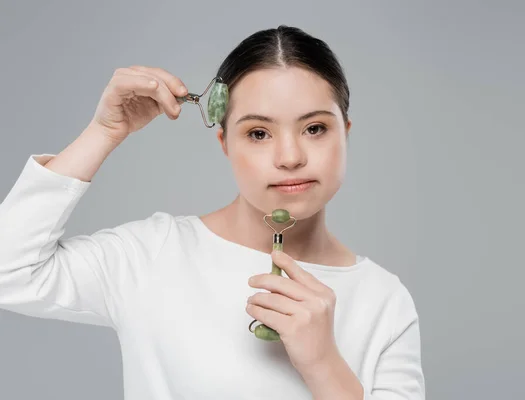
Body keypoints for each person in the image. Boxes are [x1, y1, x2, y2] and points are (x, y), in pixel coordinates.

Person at [0, 25, 425, 399]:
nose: (290, 156)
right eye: (258, 132)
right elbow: (9, 271)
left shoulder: (385, 302)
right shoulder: (155, 255)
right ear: (224, 143)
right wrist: (104, 132)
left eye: (314, 128)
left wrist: (323, 366)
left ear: (345, 134)